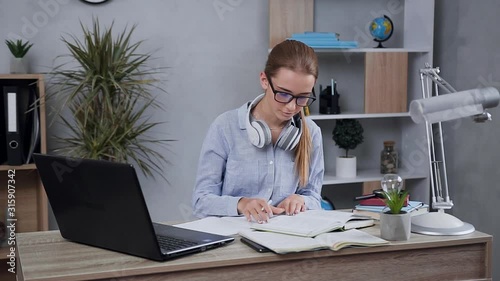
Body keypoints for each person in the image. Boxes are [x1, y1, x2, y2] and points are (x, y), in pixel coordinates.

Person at [192, 40, 324, 223]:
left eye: (302, 98)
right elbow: (201, 202)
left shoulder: (312, 132)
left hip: (288, 239)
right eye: (283, 94)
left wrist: (301, 200)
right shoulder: (225, 127)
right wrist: (241, 204)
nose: (292, 106)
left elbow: (314, 197)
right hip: (235, 241)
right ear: (264, 80)